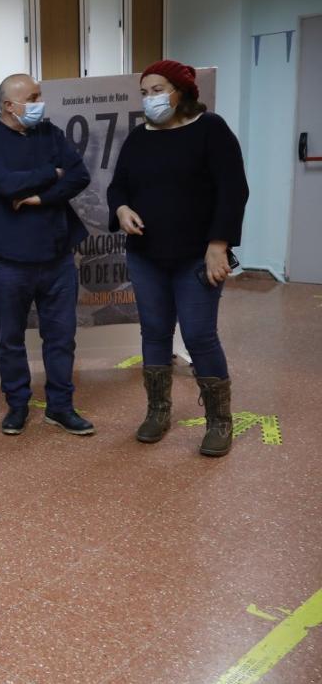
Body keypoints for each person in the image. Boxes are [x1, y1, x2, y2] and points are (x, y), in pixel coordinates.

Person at [107, 59, 249, 457]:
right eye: (145, 91)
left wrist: (218, 245)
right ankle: (157, 411)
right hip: (146, 255)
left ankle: (220, 421)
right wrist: (120, 210)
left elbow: (233, 190)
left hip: (197, 256)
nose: (150, 98)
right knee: (154, 333)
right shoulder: (139, 138)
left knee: (200, 335)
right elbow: (118, 187)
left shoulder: (211, 130)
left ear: (181, 92)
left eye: (158, 90)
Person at [0, 73, 94, 438]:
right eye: (33, 97)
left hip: (56, 257)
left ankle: (60, 406)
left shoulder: (50, 134)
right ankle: (17, 405)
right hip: (6, 260)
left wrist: (40, 196)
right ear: (9, 105)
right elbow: (5, 184)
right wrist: (50, 172)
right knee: (10, 337)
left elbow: (79, 176)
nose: (41, 103)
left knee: (61, 336)